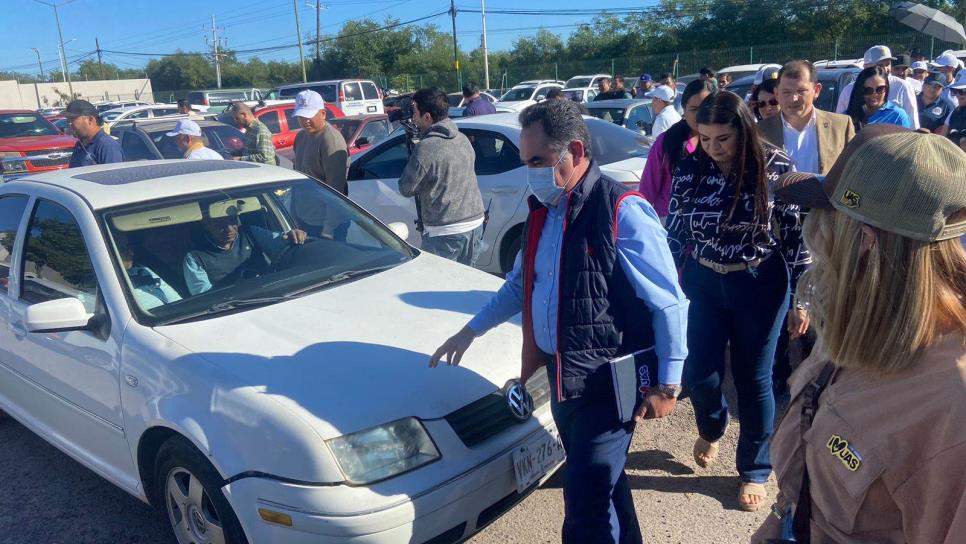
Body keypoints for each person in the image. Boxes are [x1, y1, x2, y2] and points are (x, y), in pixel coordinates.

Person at [429, 98, 689, 544]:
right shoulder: (544, 210)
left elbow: (670, 303)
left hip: (606, 384)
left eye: (537, 160)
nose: (528, 170)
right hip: (562, 378)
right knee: (603, 485)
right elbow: (520, 286)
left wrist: (668, 383)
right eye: (524, 160)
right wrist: (470, 330)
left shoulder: (621, 209)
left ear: (573, 150)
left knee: (585, 509)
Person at [752, 124, 966, 544]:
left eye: (824, 227)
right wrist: (781, 515)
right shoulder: (854, 324)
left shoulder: (952, 408)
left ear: (861, 243)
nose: (815, 249)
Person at [666, 90, 809, 513]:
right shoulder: (691, 167)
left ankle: (755, 469)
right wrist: (660, 289)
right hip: (704, 280)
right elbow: (674, 233)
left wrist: (805, 299)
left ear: (743, 130)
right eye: (705, 138)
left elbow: (797, 238)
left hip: (759, 282)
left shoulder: (775, 165)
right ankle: (713, 425)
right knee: (700, 372)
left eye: (723, 139)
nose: (714, 148)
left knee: (754, 376)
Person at [398, 87, 485, 265]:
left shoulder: (426, 148)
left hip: (445, 231)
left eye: (415, 112)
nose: (413, 118)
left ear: (427, 116)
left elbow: (406, 188)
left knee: (438, 287)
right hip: (475, 224)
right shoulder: (462, 139)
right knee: (463, 285)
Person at [183, 205, 307, 295]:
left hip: (273, 292)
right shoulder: (195, 258)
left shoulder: (251, 233)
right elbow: (204, 297)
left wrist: (292, 235)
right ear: (206, 225)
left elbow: (278, 241)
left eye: (232, 221)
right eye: (219, 224)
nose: (229, 228)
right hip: (230, 306)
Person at [759, 61, 856, 175]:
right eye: (786, 92)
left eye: (801, 91)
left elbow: (854, 173)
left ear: (816, 90)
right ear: (776, 94)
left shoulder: (841, 126)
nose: (793, 99)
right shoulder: (759, 132)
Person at [638, 79, 714, 221]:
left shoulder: (726, 142)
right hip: (670, 221)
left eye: (707, 107)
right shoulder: (666, 142)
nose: (701, 115)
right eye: (694, 109)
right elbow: (648, 189)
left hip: (711, 222)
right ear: (684, 109)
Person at [836, 45, 919, 129]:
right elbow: (839, 123)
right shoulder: (848, 90)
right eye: (867, 90)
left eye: (888, 64)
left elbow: (913, 121)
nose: (885, 69)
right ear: (865, 67)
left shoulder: (903, 86)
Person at [291, 90, 349, 195]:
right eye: (301, 116)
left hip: (322, 206)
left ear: (323, 114)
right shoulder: (300, 136)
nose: (305, 121)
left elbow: (336, 190)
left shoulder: (331, 140)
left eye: (309, 115)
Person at [114, 232, 181, 310]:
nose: (131, 253)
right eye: (123, 250)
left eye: (129, 248)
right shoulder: (105, 292)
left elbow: (178, 302)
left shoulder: (142, 272)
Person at [845, 65, 913, 130]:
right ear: (860, 90)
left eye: (880, 89)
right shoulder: (848, 116)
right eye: (868, 90)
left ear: (886, 88)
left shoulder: (898, 116)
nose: (874, 94)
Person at [64, 99, 124, 168]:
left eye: (72, 119)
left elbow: (114, 176)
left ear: (90, 119)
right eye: (68, 120)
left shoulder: (107, 146)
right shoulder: (79, 145)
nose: (69, 123)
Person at [942, 71, 966, 139]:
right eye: (955, 91)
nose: (958, 95)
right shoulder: (955, 112)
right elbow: (941, 137)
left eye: (963, 91)